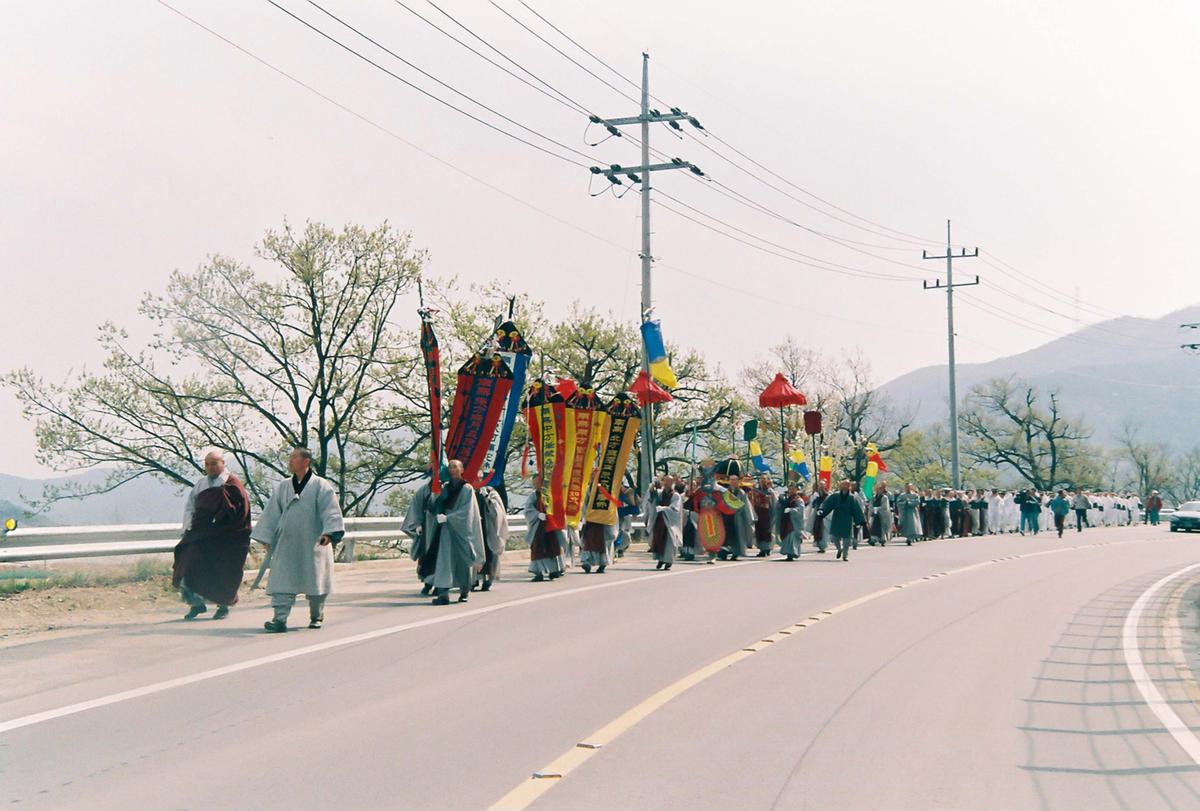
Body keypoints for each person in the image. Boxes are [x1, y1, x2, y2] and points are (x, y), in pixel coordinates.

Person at [252, 447, 345, 632]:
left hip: (313, 542)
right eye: (290, 458)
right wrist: (268, 537)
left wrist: (329, 533)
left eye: (294, 457)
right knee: (282, 580)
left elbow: (330, 511)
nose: (290, 461)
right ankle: (279, 619)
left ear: (306, 461)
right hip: (287, 543)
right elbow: (272, 513)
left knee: (316, 580)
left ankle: (316, 615)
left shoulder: (321, 485)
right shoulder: (283, 486)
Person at [173, 449, 252, 620]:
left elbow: (241, 511)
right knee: (187, 561)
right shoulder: (201, 484)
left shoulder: (232, 484)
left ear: (223, 464)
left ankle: (223, 605)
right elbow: (190, 507)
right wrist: (188, 527)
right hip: (201, 534)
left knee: (223, 571)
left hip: (226, 538)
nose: (211, 467)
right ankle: (196, 603)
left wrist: (223, 526)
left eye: (214, 463)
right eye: (207, 464)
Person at [525, 478, 564, 581]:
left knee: (553, 548)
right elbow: (528, 510)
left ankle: (554, 570)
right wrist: (537, 514)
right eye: (535, 483)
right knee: (537, 549)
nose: (537, 485)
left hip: (551, 526)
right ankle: (538, 572)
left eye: (539, 482)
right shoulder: (533, 496)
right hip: (538, 526)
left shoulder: (550, 494)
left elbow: (558, 507)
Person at [818, 480, 866, 562]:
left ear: (849, 487)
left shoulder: (852, 498)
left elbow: (856, 510)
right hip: (836, 519)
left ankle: (845, 555)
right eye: (843, 485)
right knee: (834, 537)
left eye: (846, 485)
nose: (844, 486)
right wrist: (822, 511)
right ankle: (839, 549)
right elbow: (827, 504)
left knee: (847, 540)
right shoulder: (835, 496)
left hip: (847, 520)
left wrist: (859, 520)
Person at [474, 484, 508, 591]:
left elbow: (497, 512)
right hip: (475, 528)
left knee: (490, 555)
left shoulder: (490, 492)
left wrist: (487, 499)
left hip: (488, 528)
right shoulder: (469, 491)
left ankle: (488, 580)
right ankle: (474, 579)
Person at [717, 474, 755, 561]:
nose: (732, 481)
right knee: (725, 535)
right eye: (731, 480)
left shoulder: (741, 493)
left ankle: (736, 553)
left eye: (734, 480)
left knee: (738, 536)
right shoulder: (725, 492)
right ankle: (723, 553)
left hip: (738, 517)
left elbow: (746, 506)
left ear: (738, 481)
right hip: (726, 517)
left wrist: (748, 517)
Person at [649, 474, 683, 570]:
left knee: (669, 541)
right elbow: (653, 501)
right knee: (659, 539)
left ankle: (668, 561)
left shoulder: (675, 495)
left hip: (670, 521)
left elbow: (675, 508)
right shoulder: (660, 493)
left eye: (670, 481)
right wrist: (652, 491)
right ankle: (660, 559)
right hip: (660, 519)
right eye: (666, 481)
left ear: (673, 483)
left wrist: (664, 508)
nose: (668, 483)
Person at [774, 481, 806, 560]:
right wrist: (780, 502)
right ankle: (788, 552)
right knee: (786, 537)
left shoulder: (799, 500)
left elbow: (800, 510)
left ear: (796, 489)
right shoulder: (785, 498)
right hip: (785, 521)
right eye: (789, 489)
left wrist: (791, 510)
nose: (791, 490)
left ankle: (791, 553)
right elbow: (778, 507)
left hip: (793, 523)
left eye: (793, 489)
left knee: (791, 537)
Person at [750, 474, 778, 557]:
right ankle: (762, 549)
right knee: (759, 531)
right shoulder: (755, 490)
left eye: (764, 479)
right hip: (758, 513)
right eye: (761, 478)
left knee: (767, 532)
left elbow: (774, 503)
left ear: (767, 480)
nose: (762, 480)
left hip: (767, 514)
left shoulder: (770, 491)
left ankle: (767, 548)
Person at [809, 481, 829, 553]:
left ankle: (823, 546)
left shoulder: (827, 495)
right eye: (820, 485)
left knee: (823, 531)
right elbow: (813, 504)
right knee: (817, 529)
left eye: (822, 485)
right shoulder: (816, 495)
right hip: (817, 515)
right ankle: (819, 545)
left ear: (824, 486)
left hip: (825, 516)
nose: (821, 487)